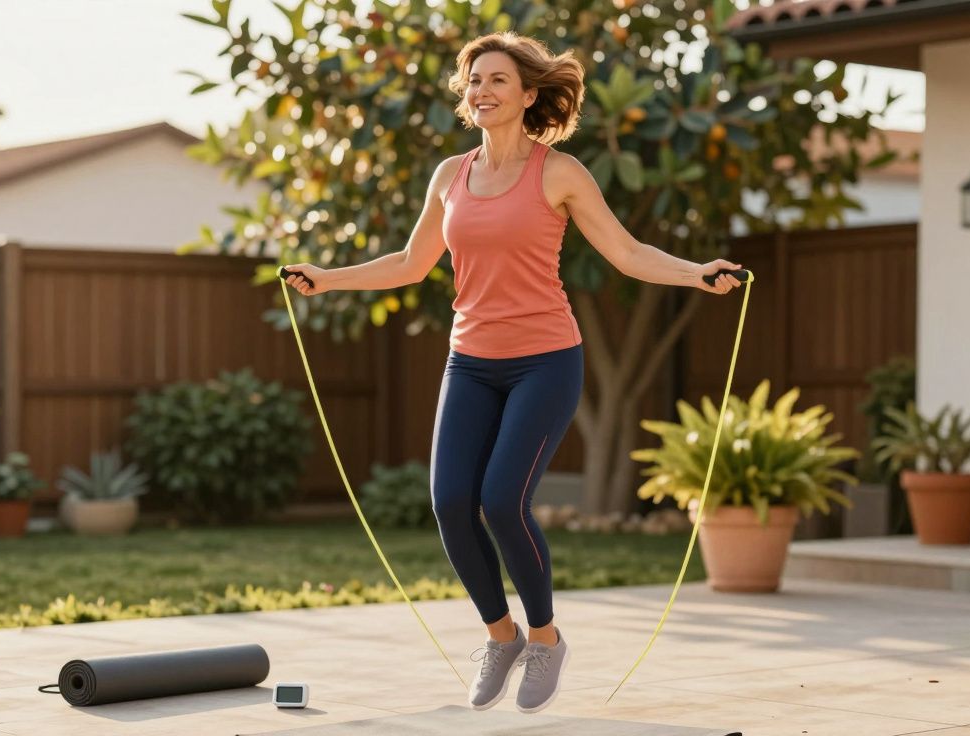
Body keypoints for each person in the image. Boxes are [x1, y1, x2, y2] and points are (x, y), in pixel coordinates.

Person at [280, 31, 743, 714]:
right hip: (469, 362)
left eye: (498, 80)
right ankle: (503, 636)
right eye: (474, 81)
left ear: (529, 95)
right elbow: (410, 264)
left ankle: (546, 638)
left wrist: (696, 274)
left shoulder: (558, 174)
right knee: (448, 503)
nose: (483, 91)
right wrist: (328, 278)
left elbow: (624, 251)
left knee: (502, 500)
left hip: (546, 361)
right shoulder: (450, 176)